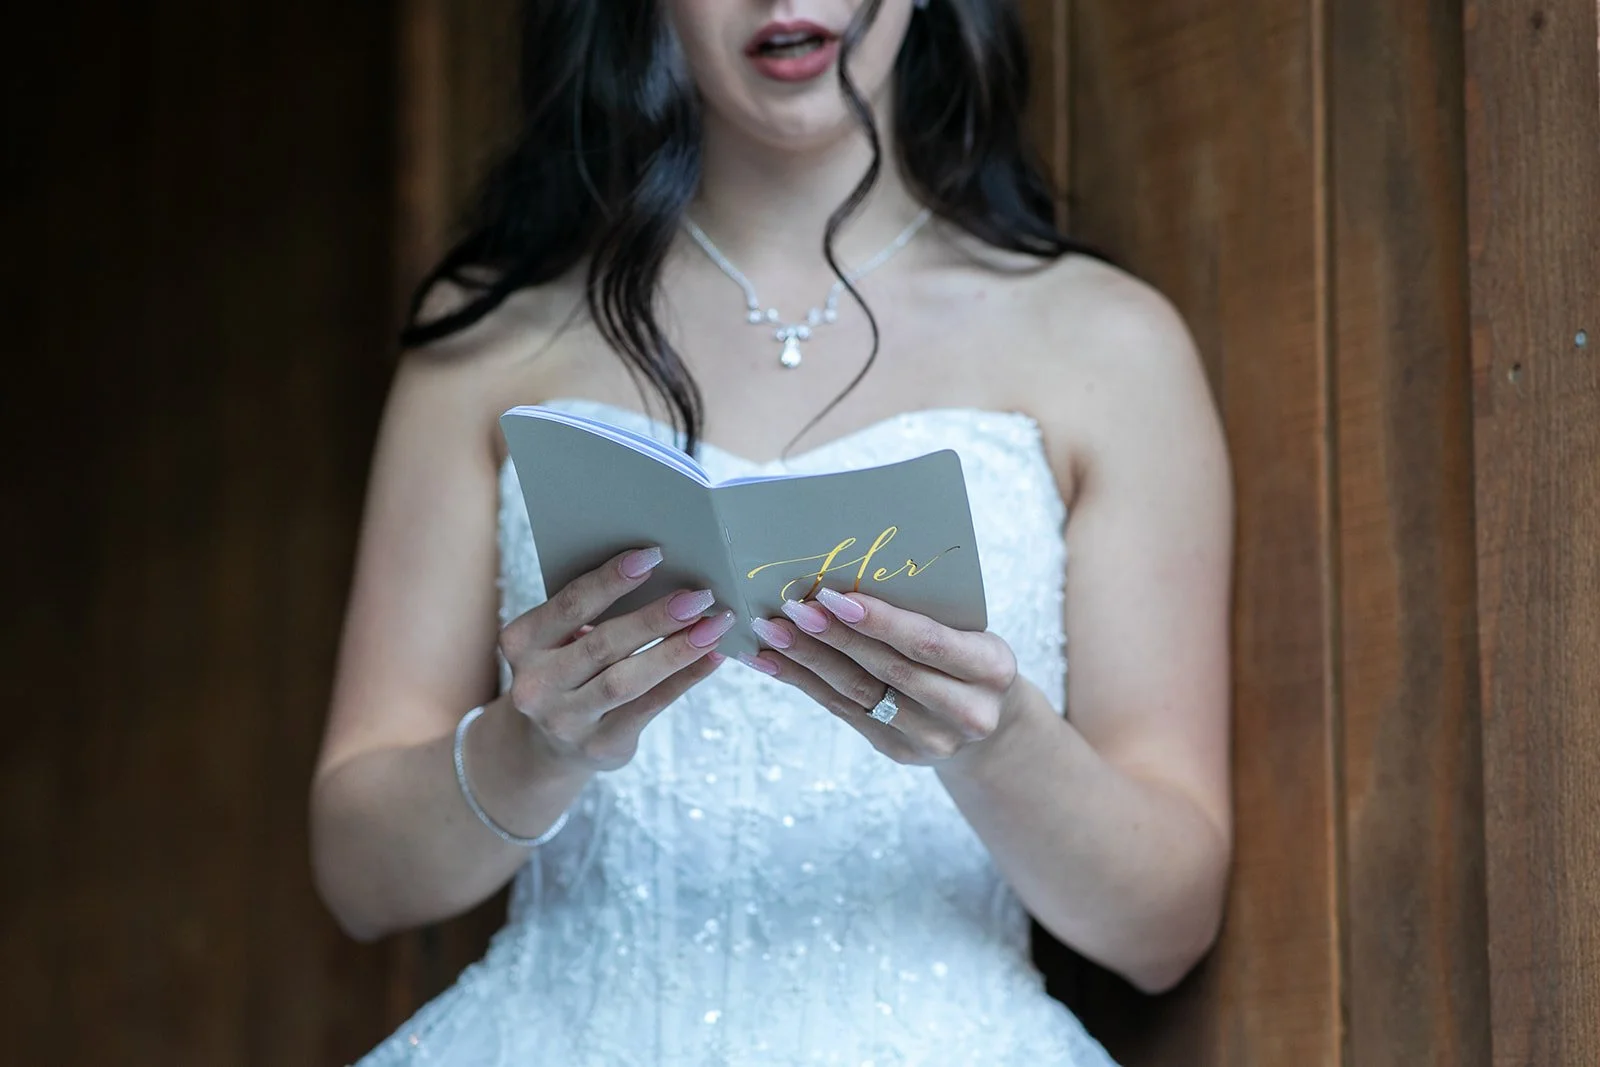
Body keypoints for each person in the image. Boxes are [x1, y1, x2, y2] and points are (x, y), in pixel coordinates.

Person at [311, 0, 1234, 1062]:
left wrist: (998, 740)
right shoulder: (489, 341)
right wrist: (532, 744)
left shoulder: (1108, 344)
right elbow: (360, 879)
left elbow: (1165, 930)